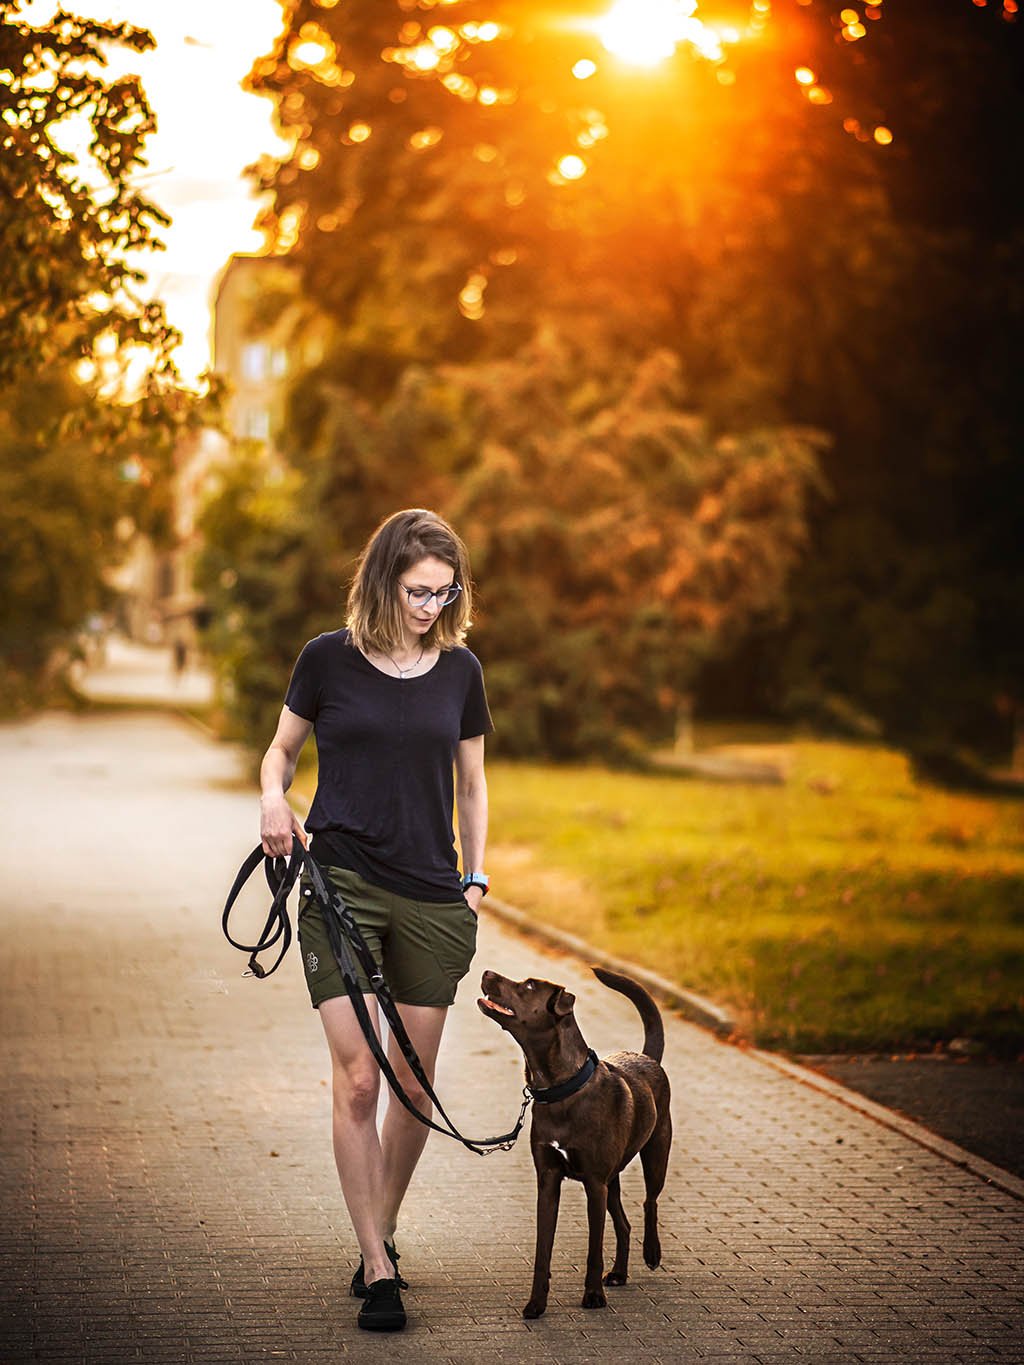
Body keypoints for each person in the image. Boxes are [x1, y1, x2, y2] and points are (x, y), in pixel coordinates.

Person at [258, 508, 492, 1333]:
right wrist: (271, 799)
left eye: (446, 590)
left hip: (433, 893)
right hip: (341, 883)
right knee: (360, 1078)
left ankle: (379, 1224)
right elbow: (280, 751)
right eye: (419, 588)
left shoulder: (460, 670)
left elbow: (472, 784)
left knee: (414, 1087)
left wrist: (473, 880)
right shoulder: (328, 658)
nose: (432, 603)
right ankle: (377, 1261)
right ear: (385, 579)